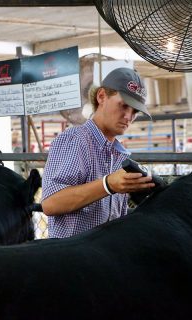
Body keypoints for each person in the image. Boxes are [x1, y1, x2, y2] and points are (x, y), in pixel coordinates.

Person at [41, 67, 155, 238]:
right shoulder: (76, 140)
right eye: (124, 105)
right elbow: (51, 203)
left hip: (106, 256)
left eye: (135, 111)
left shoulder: (120, 155)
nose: (129, 116)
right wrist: (107, 185)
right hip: (71, 257)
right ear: (101, 96)